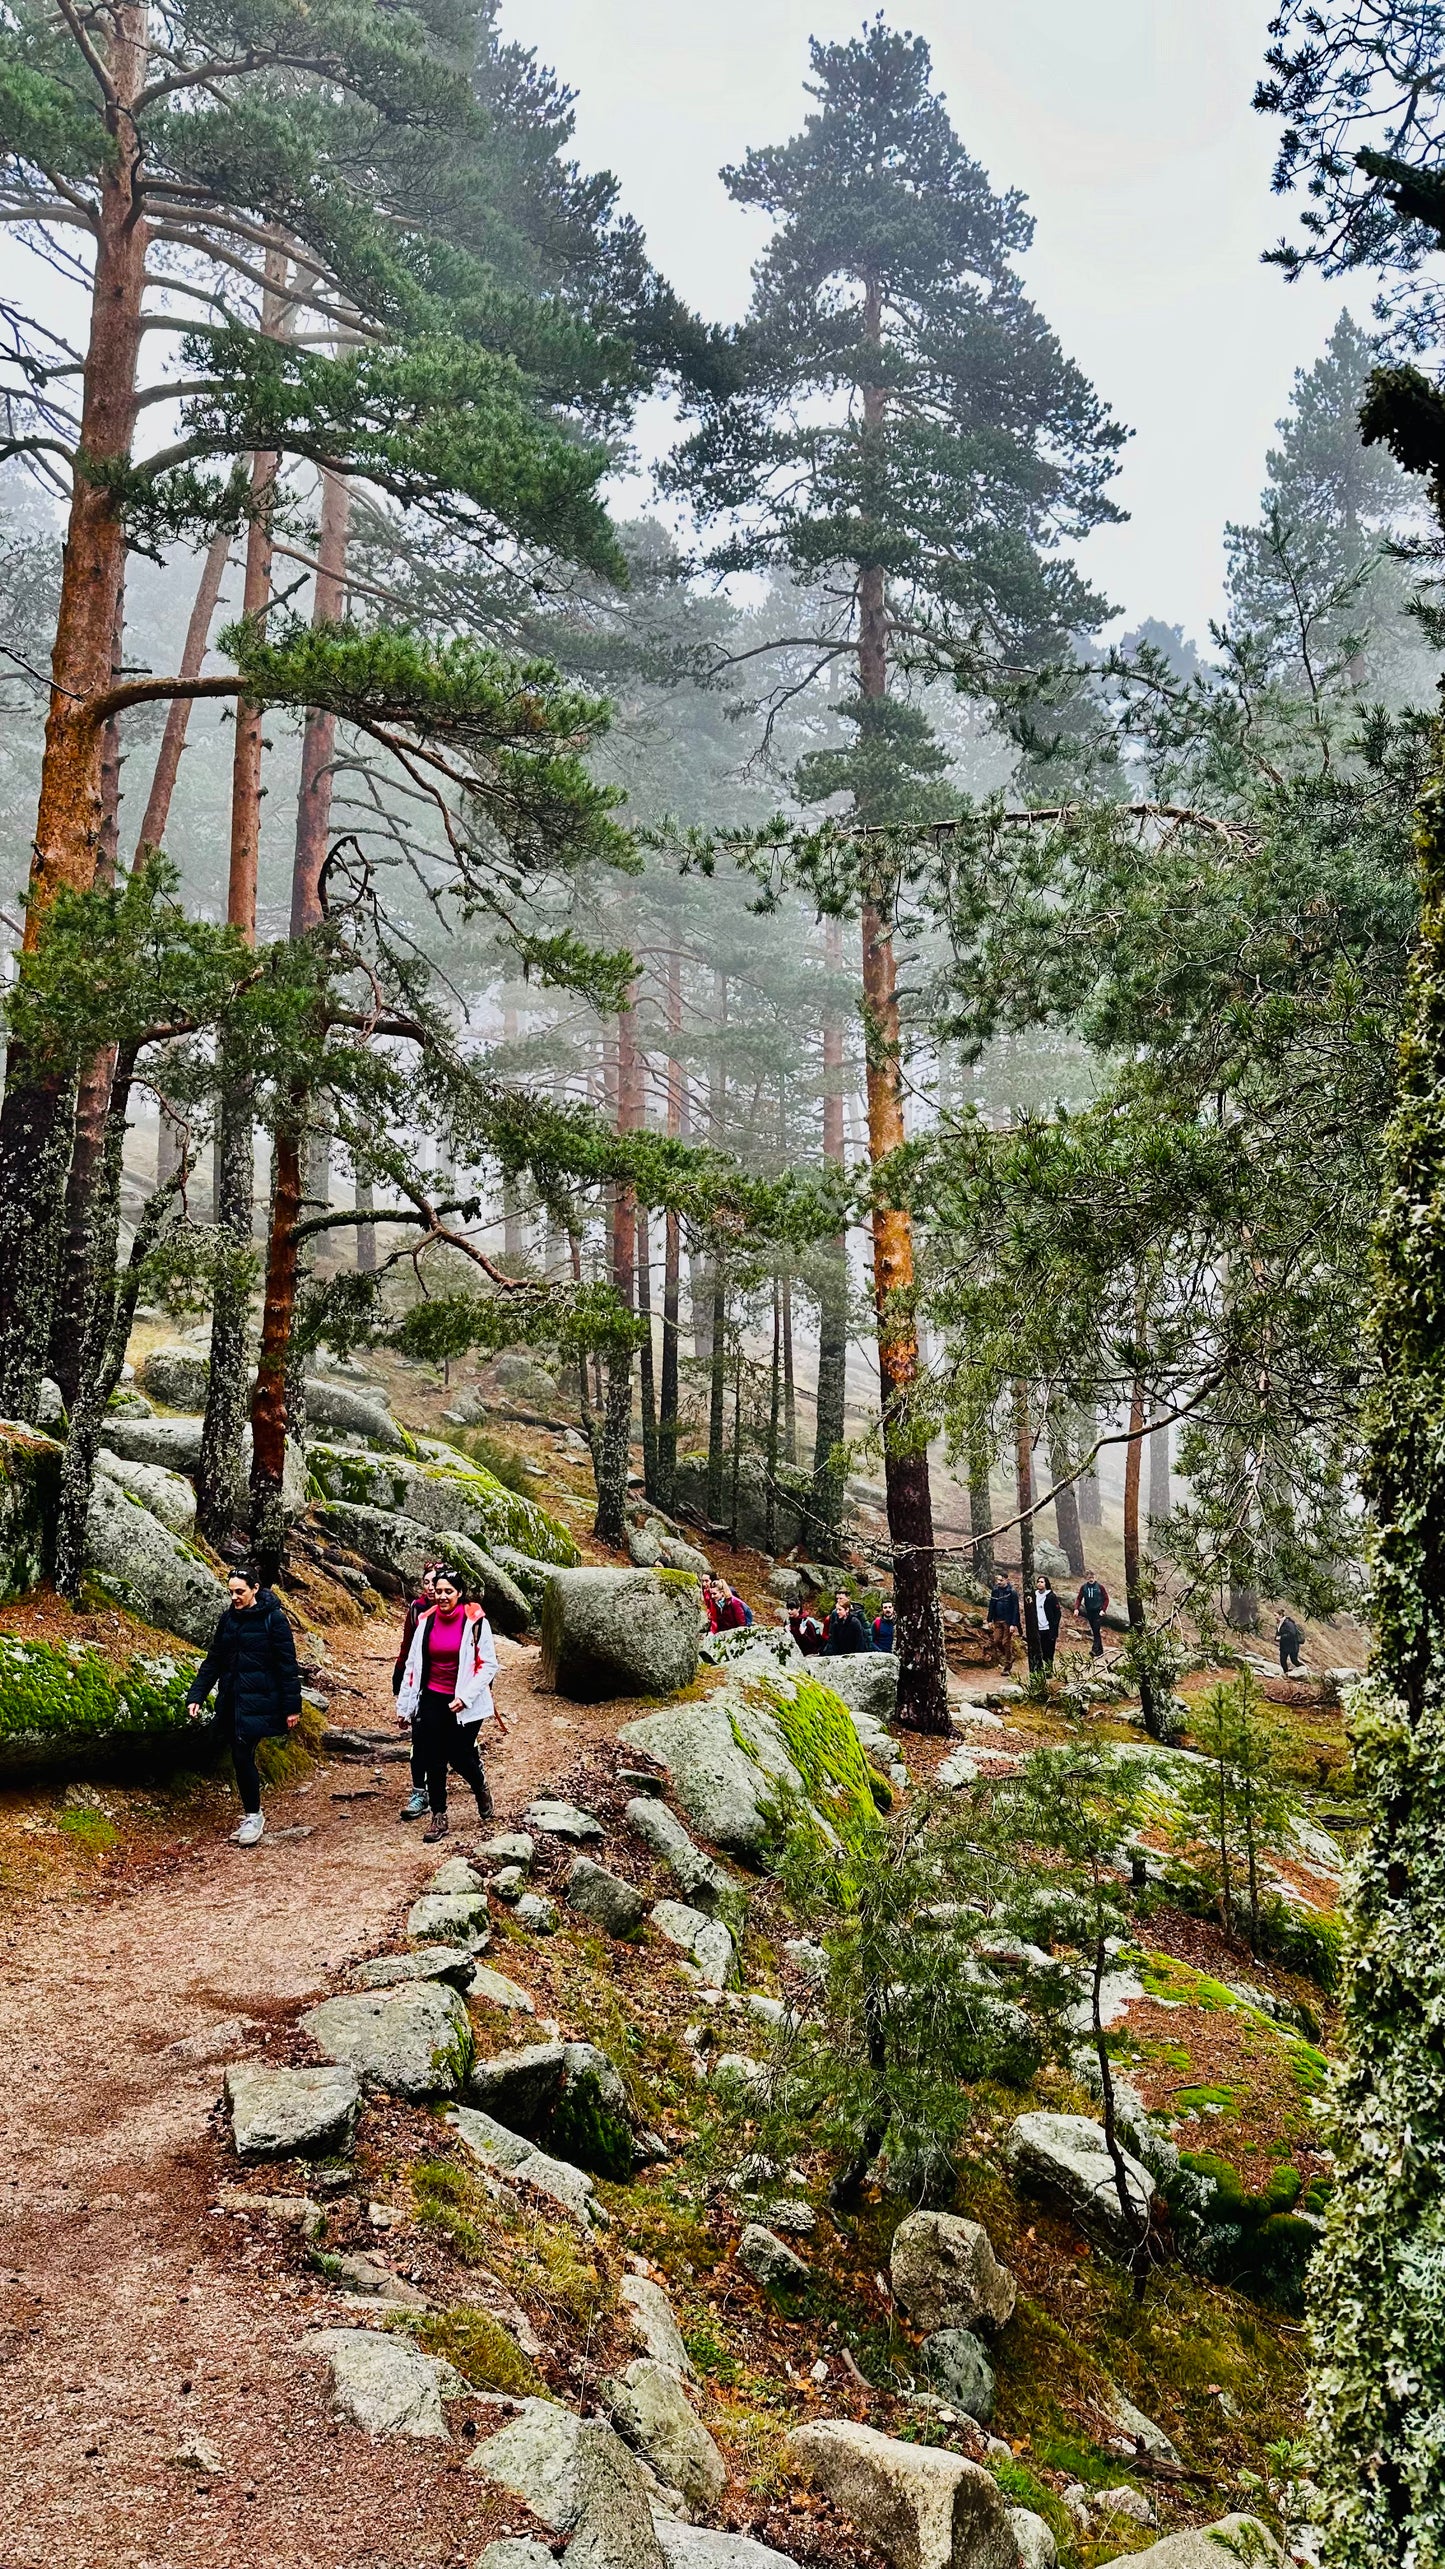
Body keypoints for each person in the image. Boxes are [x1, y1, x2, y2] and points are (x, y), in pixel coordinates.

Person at [186, 1563, 302, 1847]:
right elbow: (214, 1659)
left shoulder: (274, 1619)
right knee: (240, 1756)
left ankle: (253, 1816)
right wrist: (196, 1695)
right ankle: (252, 1814)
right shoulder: (228, 1619)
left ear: (255, 1589)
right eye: (231, 1592)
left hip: (261, 1701)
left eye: (240, 1591)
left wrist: (292, 1707)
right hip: (233, 1700)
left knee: (241, 1753)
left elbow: (287, 1665)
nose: (234, 1597)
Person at [395, 1568, 505, 1842]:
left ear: (459, 1593)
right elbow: (413, 1665)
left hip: (466, 1702)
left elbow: (488, 1665)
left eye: (448, 1591)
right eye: (439, 1591)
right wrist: (405, 1707)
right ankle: (439, 1816)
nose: (442, 1596)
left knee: (459, 1754)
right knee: (433, 1756)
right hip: (433, 1696)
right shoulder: (426, 1620)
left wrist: (465, 1696)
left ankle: (479, 1785)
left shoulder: (475, 1621)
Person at [393, 1562, 440, 1821]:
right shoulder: (417, 1610)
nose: (432, 1588)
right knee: (419, 1740)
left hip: (450, 1689)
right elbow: (408, 1645)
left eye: (437, 1583)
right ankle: (420, 1792)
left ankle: (472, 1771)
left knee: (456, 1743)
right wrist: (400, 1672)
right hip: (422, 1685)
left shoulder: (465, 1616)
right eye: (427, 1583)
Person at [986, 1572, 1021, 1674]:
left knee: (1006, 1642)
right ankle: (1009, 1657)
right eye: (998, 1580)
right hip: (997, 1620)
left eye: (1001, 1580)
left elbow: (1015, 1609)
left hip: (1008, 1621)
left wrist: (1013, 1624)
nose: (999, 1582)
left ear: (1006, 1580)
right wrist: (989, 1619)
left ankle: (1007, 1667)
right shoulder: (995, 1591)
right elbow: (992, 1605)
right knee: (997, 1641)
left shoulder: (1012, 1592)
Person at [1075, 1572, 1110, 1658]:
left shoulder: (1100, 1587)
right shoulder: (1084, 1587)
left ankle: (1094, 1649)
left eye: (1092, 1577)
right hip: (1089, 1611)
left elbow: (1106, 1599)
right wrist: (1076, 1608)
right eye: (1089, 1577)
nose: (1091, 1579)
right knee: (1095, 1631)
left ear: (1095, 1578)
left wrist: (1103, 1610)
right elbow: (1079, 1598)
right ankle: (1100, 1650)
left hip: (1098, 1612)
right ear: (1086, 1578)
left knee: (1096, 1628)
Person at [1035, 1578, 1062, 1669]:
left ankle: (1049, 1670)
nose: (1039, 1584)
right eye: (1038, 1582)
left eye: (1042, 1582)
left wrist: (1054, 1625)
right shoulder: (1034, 1595)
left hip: (1048, 1629)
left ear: (1046, 1584)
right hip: (1037, 1628)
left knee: (1049, 1652)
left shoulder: (1051, 1596)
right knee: (1039, 1651)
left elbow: (1057, 1613)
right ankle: (1039, 1670)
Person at [1276, 1611, 1305, 1676]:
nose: (1274, 1617)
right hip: (1284, 1646)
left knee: (1294, 1660)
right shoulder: (1280, 1623)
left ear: (1280, 1615)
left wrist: (1281, 1637)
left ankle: (1303, 1669)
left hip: (1292, 1646)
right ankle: (1286, 1673)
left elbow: (1292, 1633)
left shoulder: (1288, 1623)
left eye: (1275, 1615)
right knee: (1283, 1660)